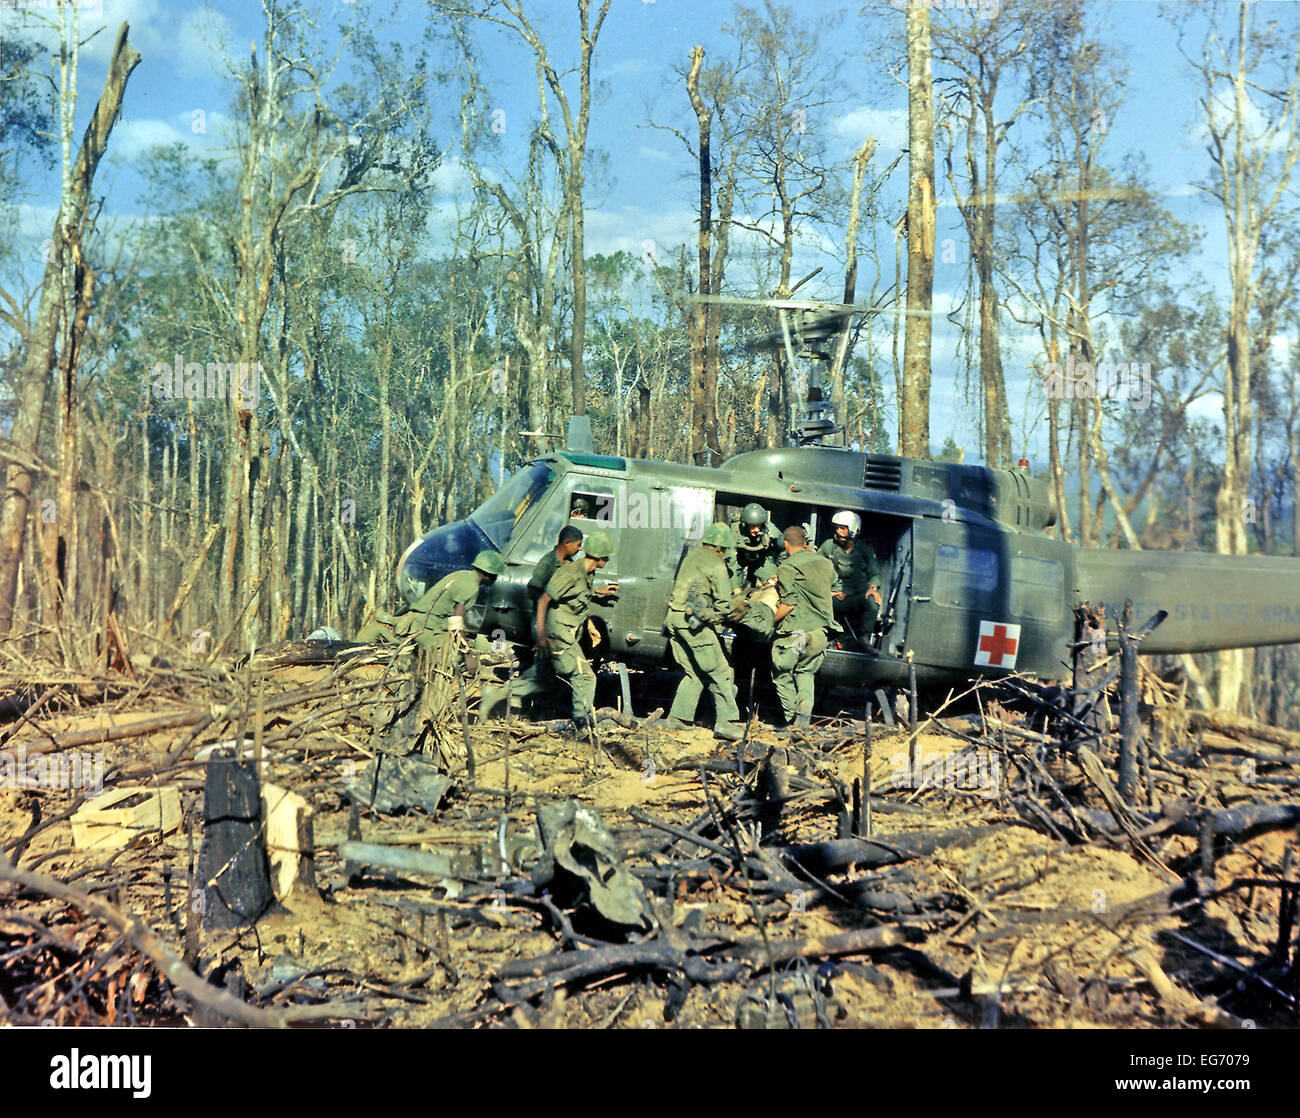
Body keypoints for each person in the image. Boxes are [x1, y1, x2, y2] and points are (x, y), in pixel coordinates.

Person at [482, 526, 585, 720]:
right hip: (544, 627)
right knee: (541, 674)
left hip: (555, 627)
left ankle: (541, 714)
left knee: (548, 675)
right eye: (578, 545)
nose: (580, 549)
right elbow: (535, 592)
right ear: (566, 543)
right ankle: (497, 695)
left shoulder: (567, 563)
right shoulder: (548, 563)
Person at [519, 530, 618, 729]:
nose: (607, 560)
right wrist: (540, 636)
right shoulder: (570, 571)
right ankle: (582, 726)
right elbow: (542, 599)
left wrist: (599, 594)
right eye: (606, 557)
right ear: (598, 557)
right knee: (584, 676)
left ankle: (503, 698)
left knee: (543, 677)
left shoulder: (587, 572)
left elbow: (578, 596)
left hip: (563, 630)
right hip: (554, 631)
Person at [662, 523, 744, 741]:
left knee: (695, 673)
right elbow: (725, 605)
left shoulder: (692, 556)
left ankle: (677, 719)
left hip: (674, 619)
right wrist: (719, 616)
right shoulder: (717, 564)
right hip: (692, 624)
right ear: (721, 548)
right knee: (721, 671)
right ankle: (727, 723)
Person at [356, 550, 503, 651]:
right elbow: (456, 621)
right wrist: (467, 655)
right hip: (426, 627)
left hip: (420, 621)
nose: (495, 579)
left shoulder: (463, 575)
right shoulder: (472, 586)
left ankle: (384, 631)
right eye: (495, 576)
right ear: (489, 574)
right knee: (452, 659)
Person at [770, 525, 836, 731]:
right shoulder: (826, 563)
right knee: (806, 672)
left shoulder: (787, 566)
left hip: (797, 634)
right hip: (820, 633)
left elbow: (789, 603)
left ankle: (791, 721)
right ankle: (804, 720)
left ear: (787, 545)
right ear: (805, 543)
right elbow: (835, 588)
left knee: (782, 673)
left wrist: (770, 620)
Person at [818, 510, 882, 646]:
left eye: (842, 528)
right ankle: (822, 637)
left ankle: (864, 639)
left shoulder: (865, 549)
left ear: (853, 528)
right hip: (833, 594)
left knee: (872, 603)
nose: (838, 531)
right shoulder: (829, 546)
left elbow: (874, 574)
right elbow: (816, 568)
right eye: (837, 528)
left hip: (856, 595)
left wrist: (872, 588)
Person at [732, 502, 783, 591]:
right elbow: (730, 557)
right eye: (752, 526)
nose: (756, 530)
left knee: (772, 584)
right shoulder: (734, 531)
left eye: (758, 525)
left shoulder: (772, 531)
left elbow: (782, 551)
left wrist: (780, 570)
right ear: (745, 524)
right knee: (731, 583)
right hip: (739, 557)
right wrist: (734, 588)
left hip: (762, 558)